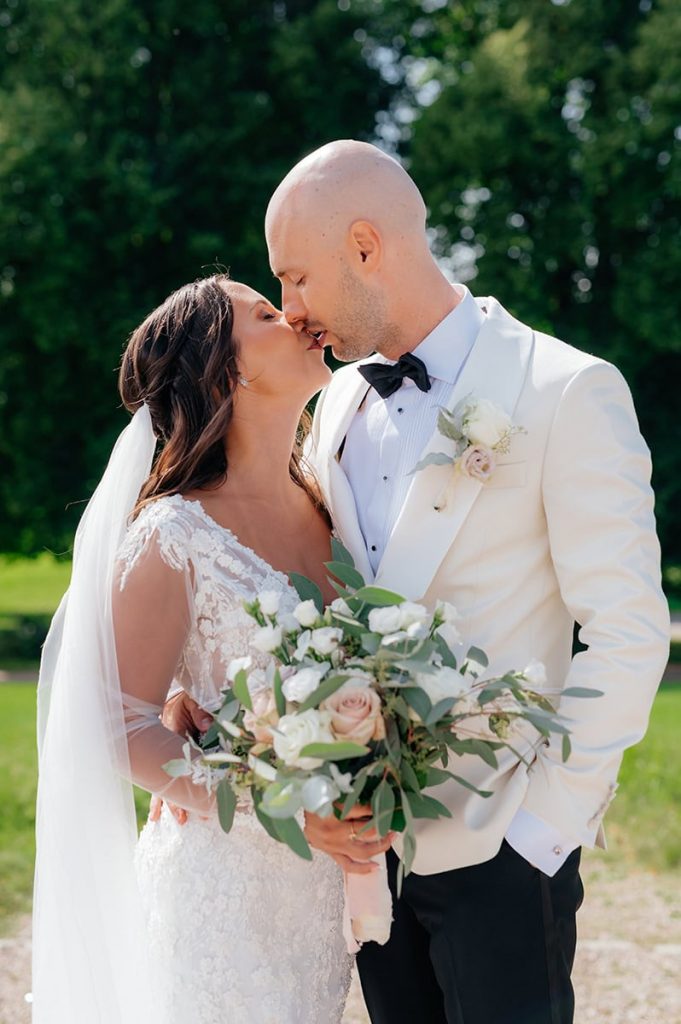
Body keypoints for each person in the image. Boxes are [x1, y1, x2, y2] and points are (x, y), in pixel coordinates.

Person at [168, 140, 669, 1024]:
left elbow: (628, 632)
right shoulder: (330, 411)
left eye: (295, 278)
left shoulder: (566, 389)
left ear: (365, 246)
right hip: (368, 855)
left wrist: (538, 836)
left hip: (505, 854)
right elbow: (302, 594)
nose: (290, 312)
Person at [32, 275, 377, 1023]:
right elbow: (110, 724)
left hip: (316, 905)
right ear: (229, 370)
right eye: (263, 314)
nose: (294, 316)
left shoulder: (335, 499)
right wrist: (273, 805)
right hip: (221, 904)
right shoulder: (174, 536)